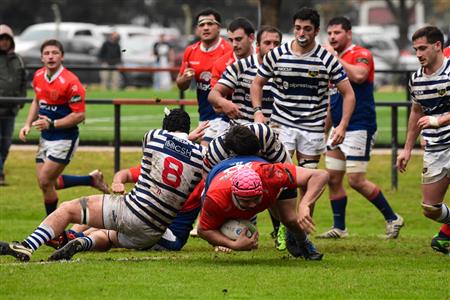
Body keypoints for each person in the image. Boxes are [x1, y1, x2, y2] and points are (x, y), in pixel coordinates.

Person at [0, 109, 205, 262]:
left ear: (165, 126)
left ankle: (27, 246)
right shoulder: (200, 156)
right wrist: (189, 142)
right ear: (187, 130)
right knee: (108, 236)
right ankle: (82, 242)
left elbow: (162, 152)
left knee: (69, 209)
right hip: (153, 231)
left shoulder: (154, 136)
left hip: (133, 211)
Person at [316, 17, 404, 239]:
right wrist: (324, 130)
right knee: (333, 178)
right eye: (330, 33)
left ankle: (393, 218)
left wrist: (335, 58)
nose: (333, 37)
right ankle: (340, 228)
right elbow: (331, 99)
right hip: (338, 127)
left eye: (337, 33)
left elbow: (359, 75)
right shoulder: (331, 61)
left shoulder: (361, 54)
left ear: (349, 34)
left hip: (359, 126)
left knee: (356, 180)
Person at [250, 7, 355, 169]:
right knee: (280, 176)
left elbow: (348, 94)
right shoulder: (277, 54)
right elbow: (257, 83)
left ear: (316, 31)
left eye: (307, 29)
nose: (301, 33)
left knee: (307, 178)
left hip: (312, 127)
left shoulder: (327, 59)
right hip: (281, 124)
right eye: (298, 28)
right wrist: (258, 111)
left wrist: (342, 125)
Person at [18, 39, 109, 216]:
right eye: (46, 53)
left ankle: (52, 229)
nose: (50, 56)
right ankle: (91, 179)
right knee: (45, 183)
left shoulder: (71, 82)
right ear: (42, 57)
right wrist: (27, 124)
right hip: (46, 137)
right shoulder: (38, 76)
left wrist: (52, 123)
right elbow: (37, 100)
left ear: (62, 56)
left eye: (55, 53)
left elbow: (79, 115)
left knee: (45, 180)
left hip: (65, 139)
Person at [197, 156, 328, 260]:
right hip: (218, 174)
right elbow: (203, 230)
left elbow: (320, 175)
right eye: (246, 201)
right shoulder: (216, 198)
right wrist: (232, 244)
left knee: (289, 218)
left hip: (258, 166)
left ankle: (303, 242)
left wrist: (304, 204)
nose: (252, 205)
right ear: (234, 195)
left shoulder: (270, 175)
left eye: (256, 199)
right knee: (219, 224)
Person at [396, 26, 450, 255]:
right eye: (415, 49)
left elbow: (432, 119)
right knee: (430, 208)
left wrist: (438, 121)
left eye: (423, 48)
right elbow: (416, 112)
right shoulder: (416, 79)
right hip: (435, 147)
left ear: (437, 46)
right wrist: (406, 149)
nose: (418, 54)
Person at [176, 8, 232, 146]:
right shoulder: (191, 51)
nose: (206, 28)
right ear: (197, 29)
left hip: (225, 115)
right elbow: (180, 85)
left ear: (219, 27)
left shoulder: (228, 50)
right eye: (201, 24)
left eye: (210, 23)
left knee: (206, 152)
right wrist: (185, 79)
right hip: (205, 116)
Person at [208, 26, 282, 124]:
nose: (272, 47)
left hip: (275, 131)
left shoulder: (286, 68)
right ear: (258, 45)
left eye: (276, 44)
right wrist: (224, 103)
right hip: (242, 130)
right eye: (267, 43)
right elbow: (213, 94)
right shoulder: (241, 66)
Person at [0, 24, 26, 186]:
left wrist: (21, 100)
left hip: (11, 109)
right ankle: (0, 173)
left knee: (6, 143)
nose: (3, 42)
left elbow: (23, 81)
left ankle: (0, 169)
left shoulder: (18, 60)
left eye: (6, 39)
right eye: (1, 39)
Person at [210, 17, 256, 88]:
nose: (234, 44)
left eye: (238, 39)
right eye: (231, 40)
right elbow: (214, 96)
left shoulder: (264, 58)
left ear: (251, 38)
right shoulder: (220, 65)